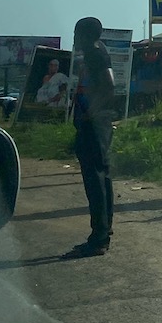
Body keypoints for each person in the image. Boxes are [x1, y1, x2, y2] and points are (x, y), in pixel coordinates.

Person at [63, 16, 116, 259]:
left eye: (76, 35)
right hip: (95, 123)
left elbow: (109, 84)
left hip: (95, 125)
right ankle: (102, 233)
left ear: (84, 36)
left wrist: (91, 114)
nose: (74, 40)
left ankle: (99, 238)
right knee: (100, 178)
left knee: (95, 181)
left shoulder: (95, 54)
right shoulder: (96, 53)